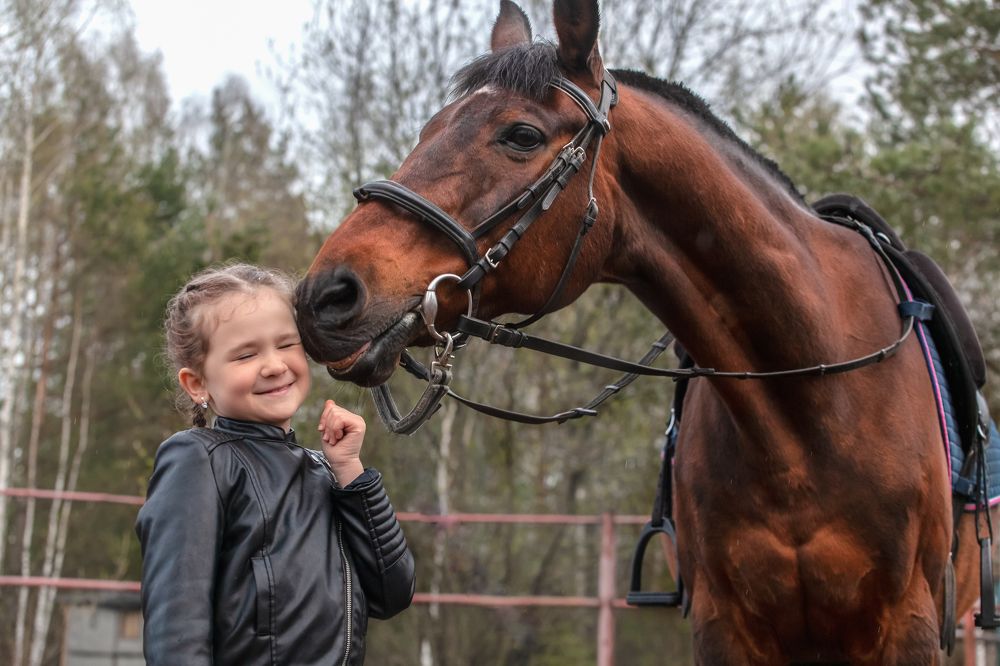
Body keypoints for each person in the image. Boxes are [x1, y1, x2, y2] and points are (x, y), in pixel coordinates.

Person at [135, 263, 415, 665]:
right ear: (197, 384)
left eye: (286, 344)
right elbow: (176, 628)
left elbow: (393, 592)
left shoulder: (325, 470)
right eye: (246, 354)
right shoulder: (198, 460)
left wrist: (351, 472)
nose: (273, 364)